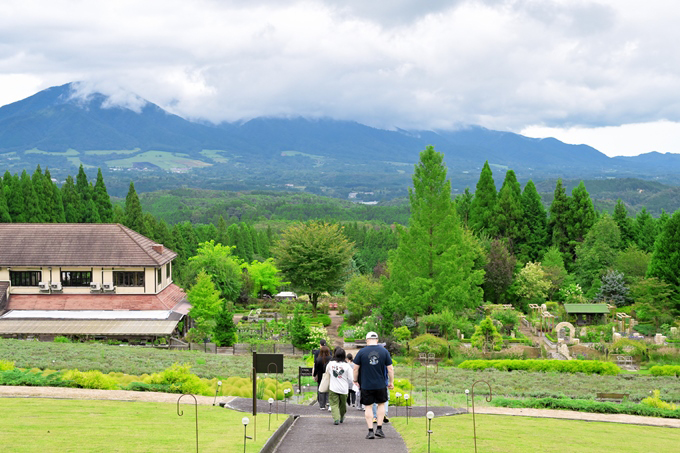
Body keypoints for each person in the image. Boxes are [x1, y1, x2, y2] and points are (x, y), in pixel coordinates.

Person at [353, 331, 394, 440]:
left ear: (367, 340)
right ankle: (379, 429)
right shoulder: (384, 352)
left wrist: (355, 380)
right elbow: (390, 368)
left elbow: (355, 368)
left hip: (366, 384)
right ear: (377, 340)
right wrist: (391, 382)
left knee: (368, 406)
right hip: (381, 384)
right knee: (381, 405)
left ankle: (370, 431)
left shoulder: (361, 352)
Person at [327, 347, 353, 425]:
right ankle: (341, 417)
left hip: (333, 388)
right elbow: (351, 378)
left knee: (334, 404)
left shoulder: (331, 364)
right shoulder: (347, 366)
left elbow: (327, 371)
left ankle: (336, 419)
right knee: (342, 405)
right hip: (344, 389)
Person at [313, 345, 331, 410]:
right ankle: (328, 402)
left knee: (321, 389)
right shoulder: (330, 359)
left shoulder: (318, 359)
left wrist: (314, 375)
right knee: (329, 388)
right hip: (329, 376)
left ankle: (322, 405)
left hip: (320, 376)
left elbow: (316, 369)